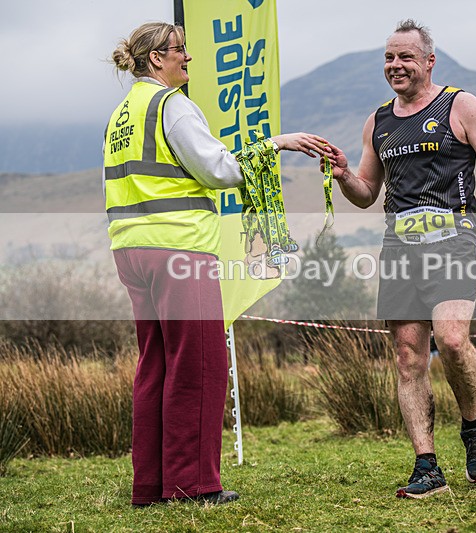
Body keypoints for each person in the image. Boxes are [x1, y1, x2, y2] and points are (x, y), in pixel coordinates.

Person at [105, 22, 328, 506]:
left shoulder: (123, 113)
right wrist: (276, 144)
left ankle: (150, 485)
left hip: (131, 250)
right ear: (155, 59)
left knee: (156, 365)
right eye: (180, 50)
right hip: (180, 251)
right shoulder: (173, 106)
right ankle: (193, 486)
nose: (188, 58)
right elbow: (219, 169)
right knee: (201, 364)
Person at [322, 20, 476, 498]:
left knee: (452, 341)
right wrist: (345, 174)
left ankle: (472, 428)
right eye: (389, 58)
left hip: (453, 240)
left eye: (406, 57)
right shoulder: (378, 121)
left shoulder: (461, 105)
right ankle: (426, 466)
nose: (396, 66)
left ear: (429, 61)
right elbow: (367, 193)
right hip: (399, 248)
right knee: (408, 357)